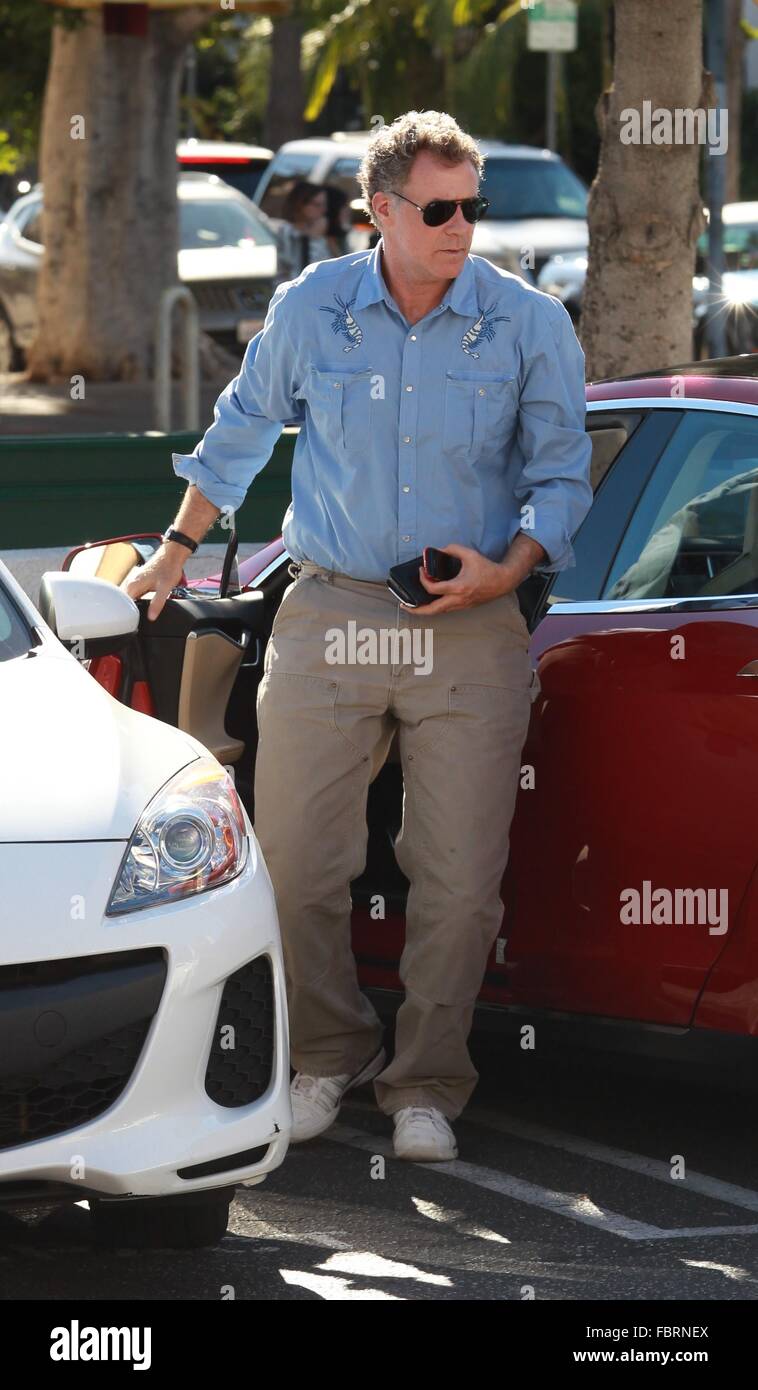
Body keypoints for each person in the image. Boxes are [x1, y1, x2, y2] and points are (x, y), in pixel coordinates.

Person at [124, 110, 593, 1164]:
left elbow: (563, 476)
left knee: (460, 875)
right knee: (291, 859)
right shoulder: (314, 306)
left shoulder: (527, 323)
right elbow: (239, 431)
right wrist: (173, 552)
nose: (461, 225)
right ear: (380, 210)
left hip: (468, 628)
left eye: (471, 205)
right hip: (329, 607)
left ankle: (425, 1082)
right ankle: (326, 1055)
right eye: (438, 208)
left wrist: (507, 572)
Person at [272, 181, 341, 286]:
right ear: (301, 205)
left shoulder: (324, 231)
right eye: (317, 205)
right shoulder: (285, 232)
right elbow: (303, 271)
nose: (323, 210)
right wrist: (314, 239)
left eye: (324, 205)